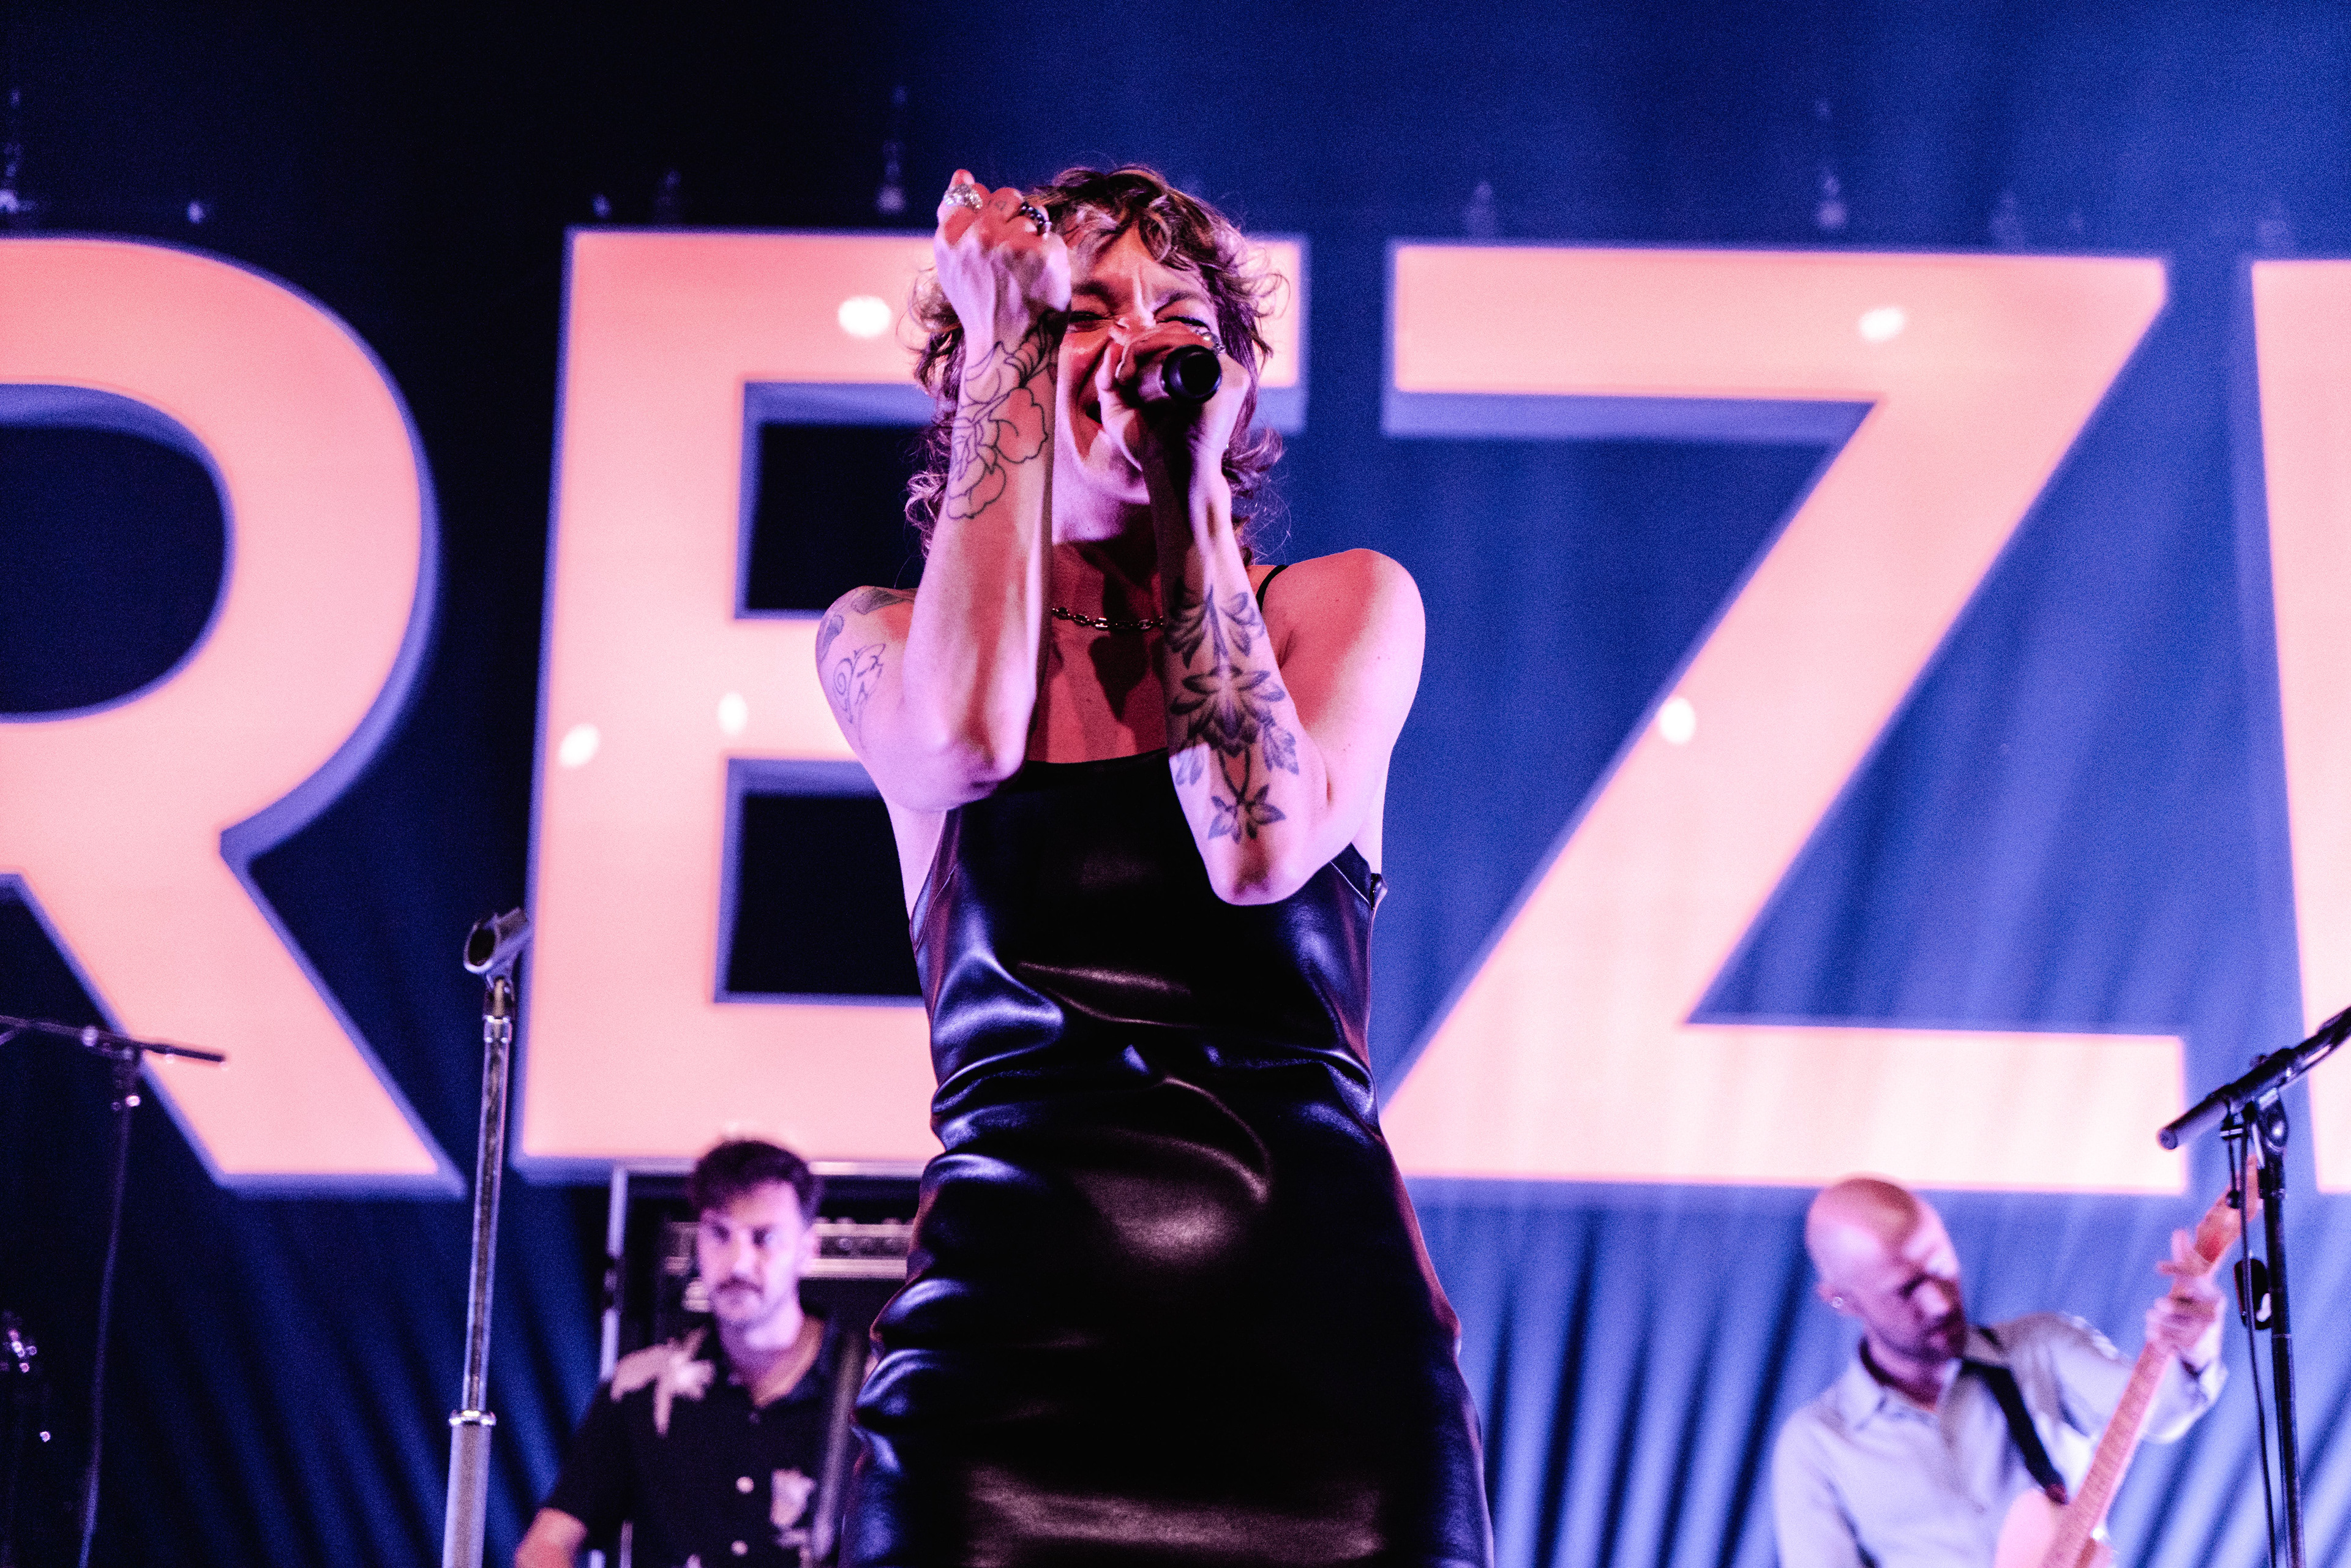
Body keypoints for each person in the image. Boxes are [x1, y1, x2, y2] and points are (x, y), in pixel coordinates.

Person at [816, 165, 1491, 1567]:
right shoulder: (878, 636)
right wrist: (1006, 348)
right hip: (996, 1386)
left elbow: (1254, 843)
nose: (1136, 343)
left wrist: (1185, 486)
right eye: (1085, 312)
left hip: (1321, 1383)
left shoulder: (1343, 606)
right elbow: (961, 741)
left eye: (1175, 314)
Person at [1772, 1176, 2227, 1567]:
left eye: (1939, 1266)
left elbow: (2162, 1411)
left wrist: (2194, 1346)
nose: (1939, 1302)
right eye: (1906, 1289)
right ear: (1842, 1299)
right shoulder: (1815, 1445)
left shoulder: (2043, 1350)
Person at [517, 1140, 849, 1568]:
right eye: (720, 1234)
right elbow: (544, 1545)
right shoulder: (640, 1385)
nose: (738, 1263)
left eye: (764, 1237)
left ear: (808, 1251)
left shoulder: (878, 1388)